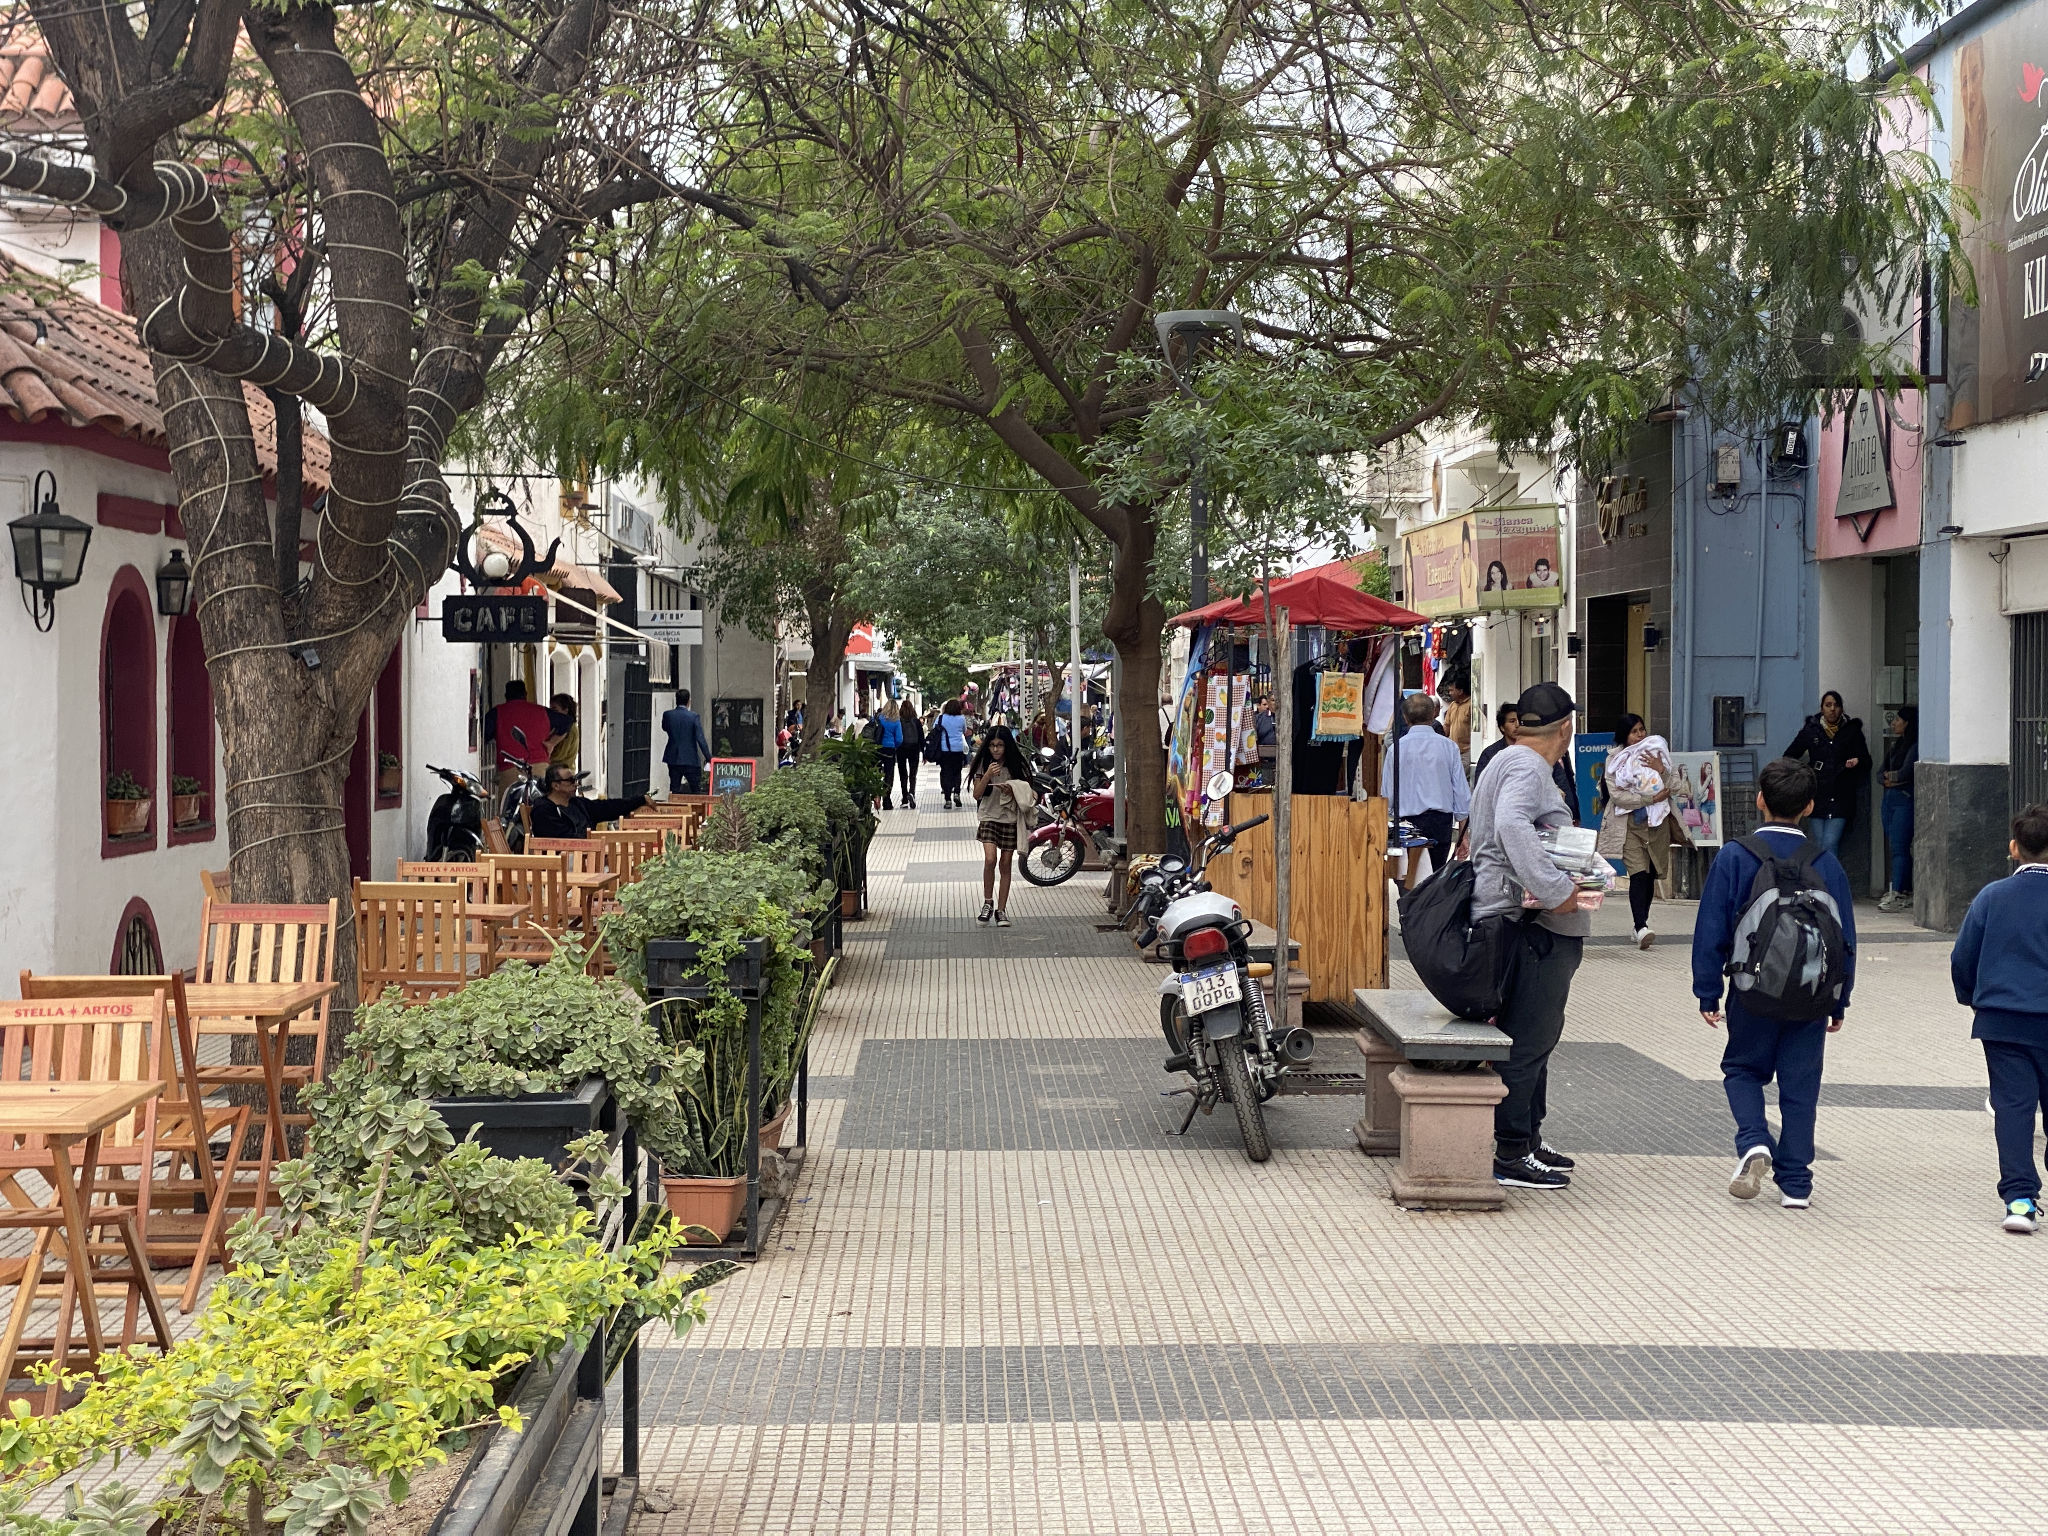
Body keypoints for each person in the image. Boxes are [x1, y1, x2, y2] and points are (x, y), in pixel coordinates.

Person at [1693, 758, 1856, 1212]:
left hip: (1752, 992)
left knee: (1743, 1070)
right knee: (1801, 1086)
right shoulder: (1827, 863)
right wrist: (1840, 999)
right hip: (1812, 996)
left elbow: (1712, 929)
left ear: (1761, 800)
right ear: (1808, 807)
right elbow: (1846, 939)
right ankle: (1797, 1185)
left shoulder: (1734, 856)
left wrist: (1707, 990)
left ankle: (1753, 1141)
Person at [1467, 682, 1587, 1190]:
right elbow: (1512, 825)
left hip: (1528, 922)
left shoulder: (1506, 759)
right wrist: (1557, 890)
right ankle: (1511, 1152)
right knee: (1530, 1038)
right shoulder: (1528, 766)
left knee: (1536, 1036)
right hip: (1534, 926)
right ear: (1566, 727)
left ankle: (1529, 1138)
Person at [1951, 804, 2048, 1233]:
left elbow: (1963, 957)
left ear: (2014, 848)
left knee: (2013, 1108)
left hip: (2003, 1019)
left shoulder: (1992, 896)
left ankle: (2020, 1200)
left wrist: (1973, 997)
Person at [1595, 714, 1690, 950]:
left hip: (1657, 825)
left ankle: (1641, 924)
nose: (1640, 735)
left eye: (1642, 730)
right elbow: (1617, 796)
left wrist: (1662, 770)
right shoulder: (1615, 760)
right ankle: (1640, 927)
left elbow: (1677, 787)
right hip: (1629, 825)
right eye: (1634, 731)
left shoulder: (1657, 752)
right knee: (1637, 873)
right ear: (1624, 736)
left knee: (1649, 875)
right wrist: (1649, 798)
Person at [1380, 693, 1469, 882]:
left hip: (1406, 825)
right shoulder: (1449, 747)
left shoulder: (1397, 749)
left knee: (1407, 881)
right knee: (1435, 881)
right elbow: (1461, 792)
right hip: (1440, 823)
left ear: (1405, 717)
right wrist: (1463, 834)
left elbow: (1387, 795)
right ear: (1434, 714)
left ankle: (1409, 911)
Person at [1782, 691, 1870, 858]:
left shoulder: (1851, 731)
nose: (1832, 709)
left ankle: (1830, 883)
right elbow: (1789, 756)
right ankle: (1822, 882)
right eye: (1828, 705)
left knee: (1830, 842)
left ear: (1841, 709)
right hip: (1818, 795)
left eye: (1836, 705)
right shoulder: (1812, 730)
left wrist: (1856, 762)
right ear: (1822, 709)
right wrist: (1806, 772)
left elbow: (1866, 761)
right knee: (1820, 844)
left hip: (1841, 796)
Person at [1475, 703, 1582, 822]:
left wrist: (1572, 811)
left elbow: (1563, 783)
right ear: (1502, 727)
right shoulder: (1491, 754)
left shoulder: (1541, 751)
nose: (1516, 725)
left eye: (1519, 721)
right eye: (1511, 721)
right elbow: (1482, 792)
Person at [969, 724, 1030, 926]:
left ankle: (1001, 910)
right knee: (989, 859)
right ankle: (987, 902)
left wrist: (1012, 790)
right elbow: (976, 794)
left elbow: (1028, 791)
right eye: (992, 745)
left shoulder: (1015, 766)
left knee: (1005, 863)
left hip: (1009, 817)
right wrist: (987, 775)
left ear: (1007, 746)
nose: (996, 749)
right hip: (988, 816)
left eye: (1000, 745)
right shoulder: (984, 764)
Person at [526, 765, 648, 841]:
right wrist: (594, 841)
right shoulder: (543, 810)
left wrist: (640, 800)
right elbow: (560, 838)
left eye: (576, 780)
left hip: (588, 853)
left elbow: (608, 807)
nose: (576, 784)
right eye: (570, 780)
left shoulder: (578, 804)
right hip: (562, 860)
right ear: (556, 786)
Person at [1878, 706, 1918, 912]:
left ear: (1908, 723)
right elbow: (1880, 773)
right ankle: (1902, 889)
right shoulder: (1897, 745)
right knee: (1895, 845)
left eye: (1898, 720)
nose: (1894, 723)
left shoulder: (1915, 745)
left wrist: (1892, 779)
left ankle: (1899, 890)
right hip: (1890, 800)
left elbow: (1904, 773)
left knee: (1900, 846)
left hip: (1903, 799)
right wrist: (1889, 779)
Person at [484, 681, 555, 792]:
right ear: (525, 694)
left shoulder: (497, 712)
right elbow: (568, 721)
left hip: (510, 767)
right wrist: (553, 742)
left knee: (509, 805)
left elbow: (484, 735)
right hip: (540, 765)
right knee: (541, 804)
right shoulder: (542, 711)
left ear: (506, 695)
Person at [660, 689, 712, 794]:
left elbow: (665, 728)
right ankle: (696, 809)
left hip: (673, 757)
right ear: (689, 701)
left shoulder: (668, 715)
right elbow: (700, 738)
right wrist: (708, 758)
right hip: (690, 758)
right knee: (695, 790)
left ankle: (675, 809)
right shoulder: (693, 717)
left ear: (676, 700)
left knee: (674, 788)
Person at [934, 699, 971, 807]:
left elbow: (934, 729)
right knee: (957, 772)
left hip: (945, 750)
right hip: (958, 750)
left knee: (945, 773)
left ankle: (947, 799)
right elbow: (964, 731)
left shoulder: (941, 718)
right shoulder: (961, 718)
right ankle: (957, 793)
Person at [876, 701, 903, 809]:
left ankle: (876, 795)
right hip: (890, 749)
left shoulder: (879, 718)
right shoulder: (896, 721)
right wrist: (894, 745)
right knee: (889, 775)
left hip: (877, 748)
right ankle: (887, 800)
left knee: (877, 773)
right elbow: (899, 739)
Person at [1439, 677, 1472, 765]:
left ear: (1460, 691)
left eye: (1451, 690)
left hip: (1466, 752)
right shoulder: (1452, 705)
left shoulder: (1471, 705)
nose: (1449, 693)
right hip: (1453, 752)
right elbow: (1447, 726)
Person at [897, 703, 925, 808]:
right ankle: (912, 792)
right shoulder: (916, 721)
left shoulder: (899, 721)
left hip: (901, 749)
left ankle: (904, 798)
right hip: (914, 748)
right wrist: (924, 753)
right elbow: (921, 737)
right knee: (913, 774)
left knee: (903, 774)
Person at [547, 694, 580, 772]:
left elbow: (560, 754)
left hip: (562, 774)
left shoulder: (570, 728)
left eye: (555, 710)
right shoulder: (560, 727)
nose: (552, 714)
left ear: (566, 710)